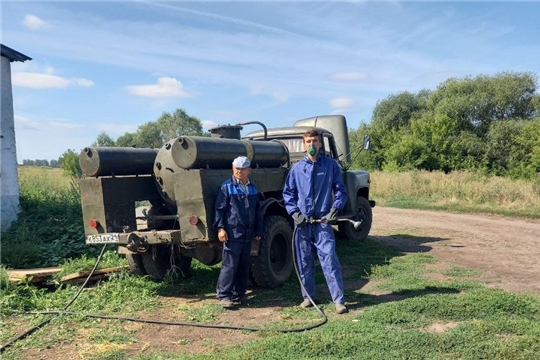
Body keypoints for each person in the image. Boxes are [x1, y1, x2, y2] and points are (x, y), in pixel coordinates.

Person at [283, 128, 349, 314]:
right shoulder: (296, 169)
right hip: (302, 224)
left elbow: (341, 190)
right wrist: (295, 213)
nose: (311, 145)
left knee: (329, 259)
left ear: (320, 143)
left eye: (314, 141)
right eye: (308, 142)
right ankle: (308, 297)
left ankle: (338, 300)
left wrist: (335, 209)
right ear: (304, 145)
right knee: (304, 261)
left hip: (322, 222)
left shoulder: (330, 166)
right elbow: (288, 194)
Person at [214, 156, 263, 309]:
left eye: (242, 169)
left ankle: (239, 294)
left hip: (248, 233)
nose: (239, 171)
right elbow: (219, 209)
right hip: (232, 232)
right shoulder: (226, 187)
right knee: (230, 264)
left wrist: (258, 229)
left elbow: (257, 211)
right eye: (236, 168)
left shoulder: (253, 187)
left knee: (244, 264)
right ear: (232, 168)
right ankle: (224, 295)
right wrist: (221, 228)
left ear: (249, 170)